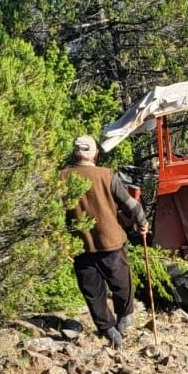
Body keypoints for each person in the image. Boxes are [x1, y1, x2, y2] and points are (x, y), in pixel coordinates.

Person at [61, 135, 149, 347]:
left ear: (75, 153)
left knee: (93, 292)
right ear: (95, 154)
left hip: (81, 245)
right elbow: (133, 206)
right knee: (122, 284)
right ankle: (124, 320)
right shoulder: (107, 175)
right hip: (111, 242)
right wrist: (142, 223)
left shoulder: (62, 178)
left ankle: (108, 330)